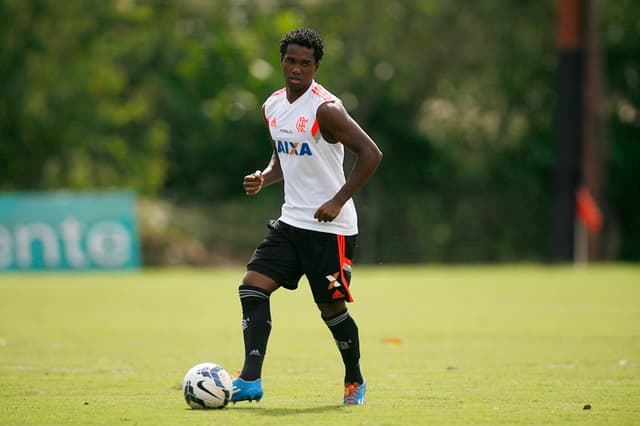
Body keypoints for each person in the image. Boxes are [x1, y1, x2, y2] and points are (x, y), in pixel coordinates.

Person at [232, 28, 382, 406]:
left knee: (331, 309)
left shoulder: (325, 109)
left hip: (330, 229)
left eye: (305, 63)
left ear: (316, 66)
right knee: (252, 287)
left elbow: (371, 154)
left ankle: (354, 379)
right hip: (291, 222)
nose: (297, 69)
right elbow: (285, 155)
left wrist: (338, 199)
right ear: (281, 61)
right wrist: (265, 177)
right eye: (290, 61)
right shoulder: (273, 105)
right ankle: (250, 379)